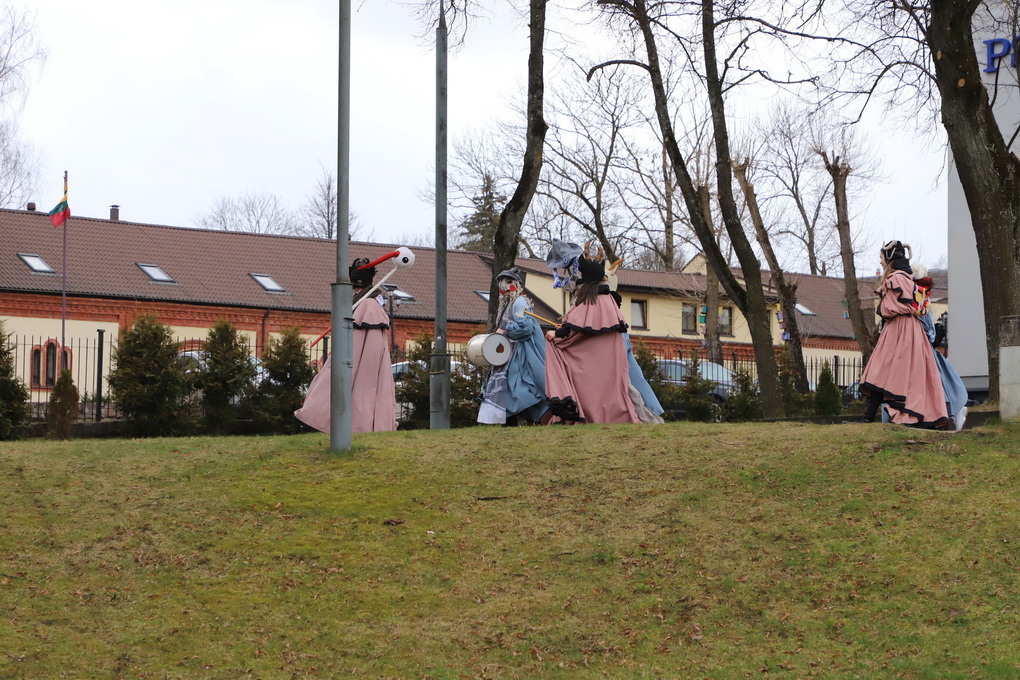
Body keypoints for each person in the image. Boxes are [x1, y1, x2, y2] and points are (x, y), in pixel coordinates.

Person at [294, 257, 397, 433]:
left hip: (359, 363)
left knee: (347, 388)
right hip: (352, 360)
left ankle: (329, 422)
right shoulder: (363, 304)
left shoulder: (369, 306)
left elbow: (365, 347)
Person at [543, 242, 640, 424]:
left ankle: (574, 406)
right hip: (609, 359)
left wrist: (557, 334)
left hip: (590, 360)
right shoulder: (609, 300)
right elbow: (582, 325)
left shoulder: (590, 300)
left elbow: (574, 330)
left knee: (554, 346)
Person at [858, 241, 948, 428]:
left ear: (889, 258)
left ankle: (871, 416)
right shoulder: (906, 278)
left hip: (899, 329)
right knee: (901, 373)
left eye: (881, 258)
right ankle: (870, 415)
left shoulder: (896, 279)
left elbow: (889, 308)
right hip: (909, 330)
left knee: (883, 369)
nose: (880, 262)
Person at [477, 267, 549, 425]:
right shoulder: (507, 304)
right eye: (502, 283)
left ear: (516, 284)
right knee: (509, 387)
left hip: (520, 354)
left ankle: (522, 419)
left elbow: (525, 327)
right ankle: (509, 421)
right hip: (507, 353)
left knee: (519, 386)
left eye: (508, 282)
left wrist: (506, 331)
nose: (504, 286)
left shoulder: (520, 303)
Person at [912, 264, 968, 430]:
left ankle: (948, 411)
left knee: (935, 381)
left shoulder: (919, 294)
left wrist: (929, 337)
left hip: (923, 346)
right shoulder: (923, 293)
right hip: (923, 345)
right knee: (937, 380)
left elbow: (925, 322)